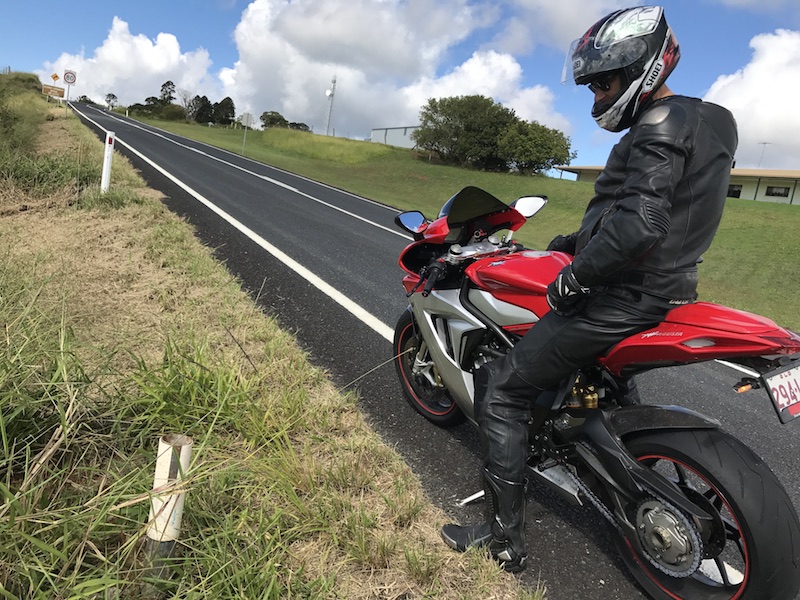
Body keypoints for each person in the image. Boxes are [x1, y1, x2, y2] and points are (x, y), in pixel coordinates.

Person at [440, 5, 738, 573]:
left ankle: (504, 539)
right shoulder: (714, 121)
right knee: (584, 377)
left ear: (643, 69)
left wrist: (572, 277)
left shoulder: (656, 124)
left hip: (620, 295)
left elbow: (641, 223)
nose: (597, 97)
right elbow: (664, 211)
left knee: (503, 388)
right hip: (672, 288)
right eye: (592, 85)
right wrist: (571, 240)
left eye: (604, 82)